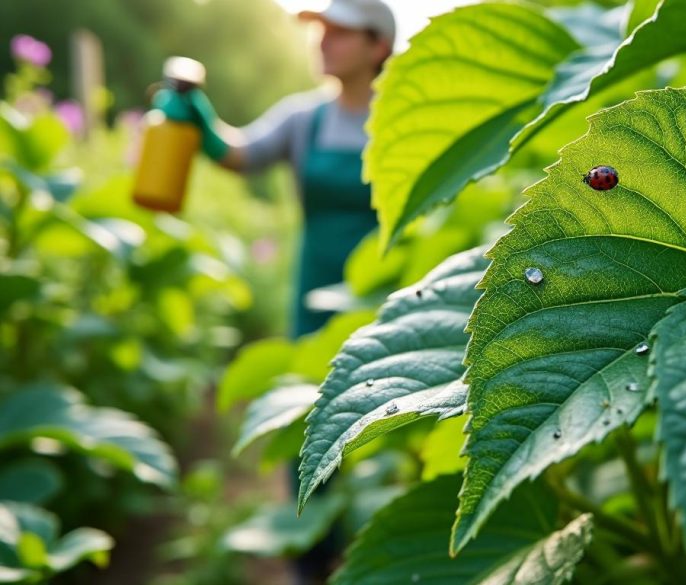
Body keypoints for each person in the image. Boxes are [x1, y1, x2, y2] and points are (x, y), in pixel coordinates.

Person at [152, 1, 396, 583]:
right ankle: (313, 547)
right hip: (313, 287)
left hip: (385, 289)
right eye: (321, 31)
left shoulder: (402, 120)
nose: (325, 42)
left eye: (341, 33)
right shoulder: (303, 120)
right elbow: (240, 154)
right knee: (313, 407)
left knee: (387, 403)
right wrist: (196, 117)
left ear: (377, 47)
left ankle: (381, 541)